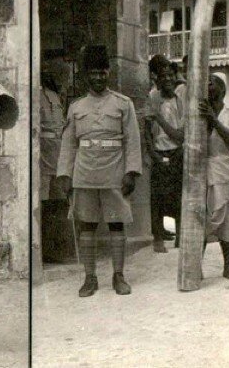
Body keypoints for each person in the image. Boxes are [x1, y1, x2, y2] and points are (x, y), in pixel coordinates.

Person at [54, 45, 142, 297]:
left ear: (108, 73)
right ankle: (90, 278)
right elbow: (69, 143)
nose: (98, 77)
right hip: (84, 173)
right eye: (93, 73)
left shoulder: (123, 104)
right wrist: (65, 175)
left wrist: (131, 172)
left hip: (114, 171)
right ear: (86, 76)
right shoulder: (76, 107)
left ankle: (118, 275)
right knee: (87, 226)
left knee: (116, 224)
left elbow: (132, 140)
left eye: (102, 72)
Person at [200, 74, 229, 282]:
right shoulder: (198, 112)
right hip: (201, 171)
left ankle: (227, 267)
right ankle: (195, 266)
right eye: (206, 83)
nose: (209, 86)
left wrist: (213, 120)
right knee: (202, 218)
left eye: (212, 83)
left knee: (225, 219)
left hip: (223, 168)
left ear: (222, 90)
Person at [146, 60, 185, 252]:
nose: (167, 79)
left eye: (171, 75)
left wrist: (159, 119)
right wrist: (154, 155)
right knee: (157, 198)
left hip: (177, 152)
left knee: (179, 196)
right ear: (157, 79)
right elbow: (146, 131)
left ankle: (180, 237)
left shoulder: (180, 100)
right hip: (158, 152)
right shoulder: (152, 97)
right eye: (163, 76)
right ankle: (158, 239)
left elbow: (180, 136)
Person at [39, 67, 71, 263]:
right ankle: (45, 249)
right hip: (43, 155)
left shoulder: (55, 96)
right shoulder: (36, 96)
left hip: (57, 155)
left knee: (58, 203)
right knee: (43, 204)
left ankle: (57, 248)